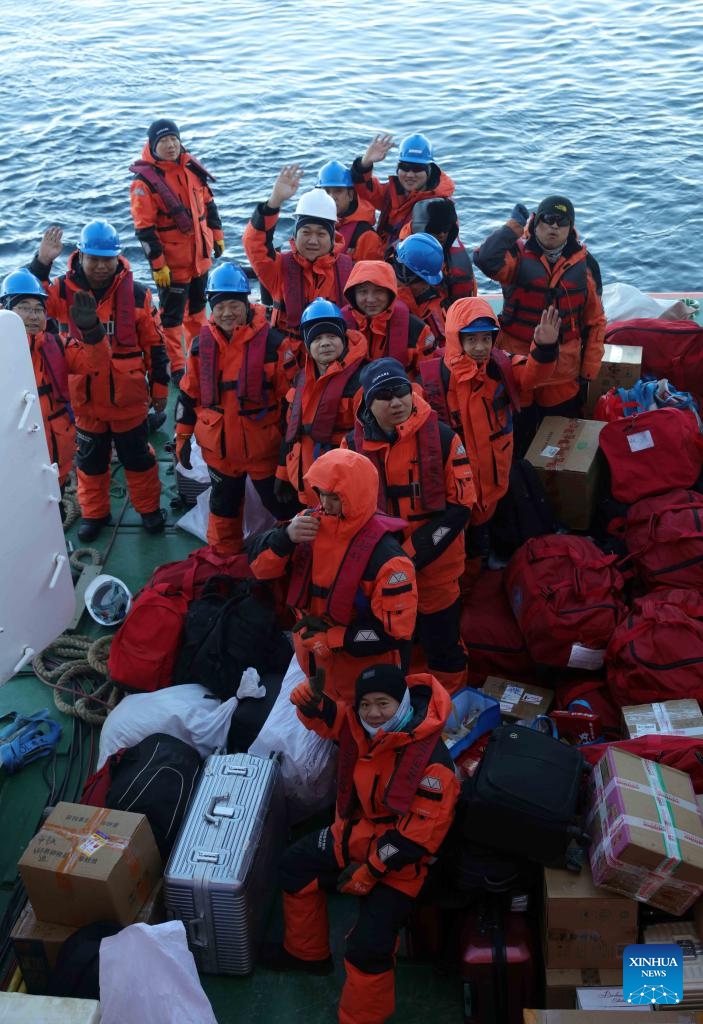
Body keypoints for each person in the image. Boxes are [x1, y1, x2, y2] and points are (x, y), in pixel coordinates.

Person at [260, 663, 459, 1024]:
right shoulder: (361, 725)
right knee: (294, 865)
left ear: (402, 705)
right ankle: (307, 955)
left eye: (382, 703)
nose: (372, 713)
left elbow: (416, 840)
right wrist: (311, 702)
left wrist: (370, 871)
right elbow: (335, 718)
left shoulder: (433, 763)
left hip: (403, 863)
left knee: (367, 948)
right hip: (355, 833)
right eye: (365, 704)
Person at [29, 222, 169, 541]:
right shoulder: (61, 290)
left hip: (129, 400)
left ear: (118, 258)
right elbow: (27, 302)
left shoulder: (138, 294)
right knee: (90, 463)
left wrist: (160, 388)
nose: (101, 265)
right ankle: (94, 513)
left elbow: (155, 344)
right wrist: (42, 261)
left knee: (139, 460)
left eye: (108, 258)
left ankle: (148, 509)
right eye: (94, 258)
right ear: (80, 256)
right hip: (85, 402)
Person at [343, 358, 475, 692]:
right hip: (380, 573)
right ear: (368, 403)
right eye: (385, 395)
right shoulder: (350, 447)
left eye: (401, 391)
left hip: (436, 570)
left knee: (443, 644)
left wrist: (411, 555)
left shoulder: (444, 438)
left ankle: (451, 705)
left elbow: (461, 506)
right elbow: (341, 507)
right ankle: (402, 704)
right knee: (394, 642)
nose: (397, 401)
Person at [247, 448, 418, 702]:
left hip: (363, 680)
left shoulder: (389, 561)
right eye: (321, 494)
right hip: (313, 661)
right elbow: (260, 569)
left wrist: (331, 638)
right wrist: (285, 537)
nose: (325, 504)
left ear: (356, 494)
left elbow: (393, 634)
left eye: (334, 497)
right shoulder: (305, 524)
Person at [421, 297, 560, 562]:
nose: (480, 347)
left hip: (495, 477)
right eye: (471, 339)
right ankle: (469, 576)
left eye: (486, 339)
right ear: (454, 338)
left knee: (487, 532)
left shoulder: (501, 366)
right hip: (456, 483)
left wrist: (544, 348)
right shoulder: (433, 380)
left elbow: (532, 375)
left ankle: (485, 565)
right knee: (460, 539)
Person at [174, 262, 299, 553]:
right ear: (211, 309)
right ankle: (223, 562)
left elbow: (292, 404)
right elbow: (188, 395)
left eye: (234, 305)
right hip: (220, 452)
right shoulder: (198, 347)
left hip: (264, 451)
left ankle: (292, 556)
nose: (228, 313)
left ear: (247, 303)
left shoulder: (275, 345)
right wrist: (182, 438)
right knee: (223, 508)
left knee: (283, 507)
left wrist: (289, 454)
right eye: (220, 306)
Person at [472, 195, 605, 442]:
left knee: (557, 441)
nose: (554, 226)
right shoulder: (516, 255)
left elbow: (595, 323)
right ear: (535, 222)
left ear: (570, 227)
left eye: (561, 222)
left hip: (562, 371)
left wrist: (588, 371)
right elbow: (484, 260)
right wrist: (512, 227)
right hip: (518, 366)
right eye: (548, 219)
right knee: (517, 437)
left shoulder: (586, 266)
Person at [129, 118, 225, 384]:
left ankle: (199, 354)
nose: (171, 145)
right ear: (152, 145)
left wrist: (217, 236)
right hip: (172, 266)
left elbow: (209, 205)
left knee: (197, 310)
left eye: (174, 139)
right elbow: (144, 230)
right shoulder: (144, 184)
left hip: (200, 260)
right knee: (171, 319)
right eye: (163, 141)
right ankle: (177, 365)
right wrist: (158, 265)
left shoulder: (191, 168)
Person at [242, 165, 353, 342]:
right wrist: (273, 203)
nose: (313, 241)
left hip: (332, 357)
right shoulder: (278, 269)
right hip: (289, 358)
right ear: (295, 235)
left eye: (321, 234)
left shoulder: (350, 269)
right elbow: (254, 243)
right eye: (306, 232)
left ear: (333, 238)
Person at [275, 298, 368, 504]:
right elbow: (291, 429)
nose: (325, 343)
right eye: (317, 339)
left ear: (343, 339)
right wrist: (282, 472)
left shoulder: (361, 381)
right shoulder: (301, 379)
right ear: (308, 346)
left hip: (341, 487)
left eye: (332, 336)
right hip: (305, 482)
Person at [0, 268, 75, 516]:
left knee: (54, 512)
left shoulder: (58, 345)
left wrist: (93, 332)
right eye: (24, 307)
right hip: (14, 456)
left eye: (39, 309)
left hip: (56, 452)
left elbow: (93, 363)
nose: (33, 316)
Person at [351, 132, 456, 248]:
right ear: (397, 169)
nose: (410, 174)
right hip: (384, 252)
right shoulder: (392, 192)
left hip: (408, 259)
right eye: (405, 167)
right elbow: (366, 192)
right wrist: (365, 163)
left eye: (417, 169)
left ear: (429, 171)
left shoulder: (440, 206)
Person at [341, 260, 437, 378]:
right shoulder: (339, 326)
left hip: (400, 394)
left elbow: (430, 376)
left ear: (390, 293)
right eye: (363, 291)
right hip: (353, 394)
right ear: (353, 294)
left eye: (379, 291)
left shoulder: (418, 330)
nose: (370, 299)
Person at [405, 197, 476, 304]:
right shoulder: (401, 257)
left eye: (446, 228)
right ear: (420, 229)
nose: (442, 234)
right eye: (435, 229)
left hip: (453, 311)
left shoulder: (454, 259)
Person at [317, 160, 385, 262]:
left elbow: (371, 275)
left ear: (350, 195)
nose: (331, 197)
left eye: (338, 191)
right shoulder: (313, 224)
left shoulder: (366, 236)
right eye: (326, 191)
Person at [390, 233, 447, 344]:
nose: (428, 286)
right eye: (424, 281)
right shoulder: (381, 302)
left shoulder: (430, 304)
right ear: (406, 275)